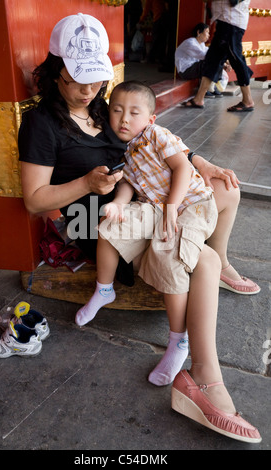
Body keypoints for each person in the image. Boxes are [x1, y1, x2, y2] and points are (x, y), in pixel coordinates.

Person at [18, 14, 261, 442]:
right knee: (199, 258)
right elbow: (35, 200)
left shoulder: (102, 107)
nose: (90, 89)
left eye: (95, 78)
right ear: (55, 70)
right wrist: (86, 185)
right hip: (97, 220)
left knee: (223, 190)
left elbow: (151, 143)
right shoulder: (41, 123)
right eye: (78, 79)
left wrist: (199, 162)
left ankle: (213, 259)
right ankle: (203, 377)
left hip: (141, 204)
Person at [75, 80, 261, 443]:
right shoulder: (126, 149)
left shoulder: (158, 135)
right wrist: (118, 202)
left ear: (151, 116)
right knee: (123, 228)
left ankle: (180, 343)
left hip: (188, 204)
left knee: (174, 248)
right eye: (116, 111)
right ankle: (106, 290)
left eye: (133, 113)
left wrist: (172, 208)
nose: (123, 119)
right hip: (155, 208)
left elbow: (182, 168)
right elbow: (129, 183)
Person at [182, 0, 254, 111]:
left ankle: (247, 100)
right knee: (212, 60)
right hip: (223, 20)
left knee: (236, 59)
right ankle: (199, 99)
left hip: (233, 22)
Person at [175, 22, 230, 97]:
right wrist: (222, 62)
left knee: (214, 61)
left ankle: (212, 87)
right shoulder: (190, 43)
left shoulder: (201, 44)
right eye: (207, 32)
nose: (209, 35)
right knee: (209, 62)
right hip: (186, 71)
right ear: (198, 32)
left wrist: (225, 61)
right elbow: (205, 56)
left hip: (195, 68)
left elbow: (210, 53)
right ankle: (207, 88)